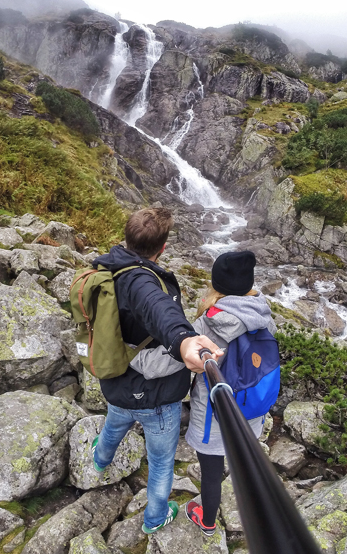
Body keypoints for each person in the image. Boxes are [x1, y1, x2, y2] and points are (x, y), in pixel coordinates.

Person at [90, 207, 221, 535]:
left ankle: (99, 462)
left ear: (126, 237)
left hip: (118, 382)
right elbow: (158, 308)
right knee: (161, 463)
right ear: (162, 248)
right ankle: (154, 518)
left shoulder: (110, 268)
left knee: (113, 426)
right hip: (158, 398)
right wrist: (185, 340)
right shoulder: (141, 280)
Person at [185, 250, 276, 536]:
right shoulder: (263, 315)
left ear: (216, 284)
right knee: (243, 465)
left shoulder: (206, 324)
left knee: (211, 474)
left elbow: (186, 365)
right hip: (252, 409)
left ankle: (208, 522)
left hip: (214, 417)